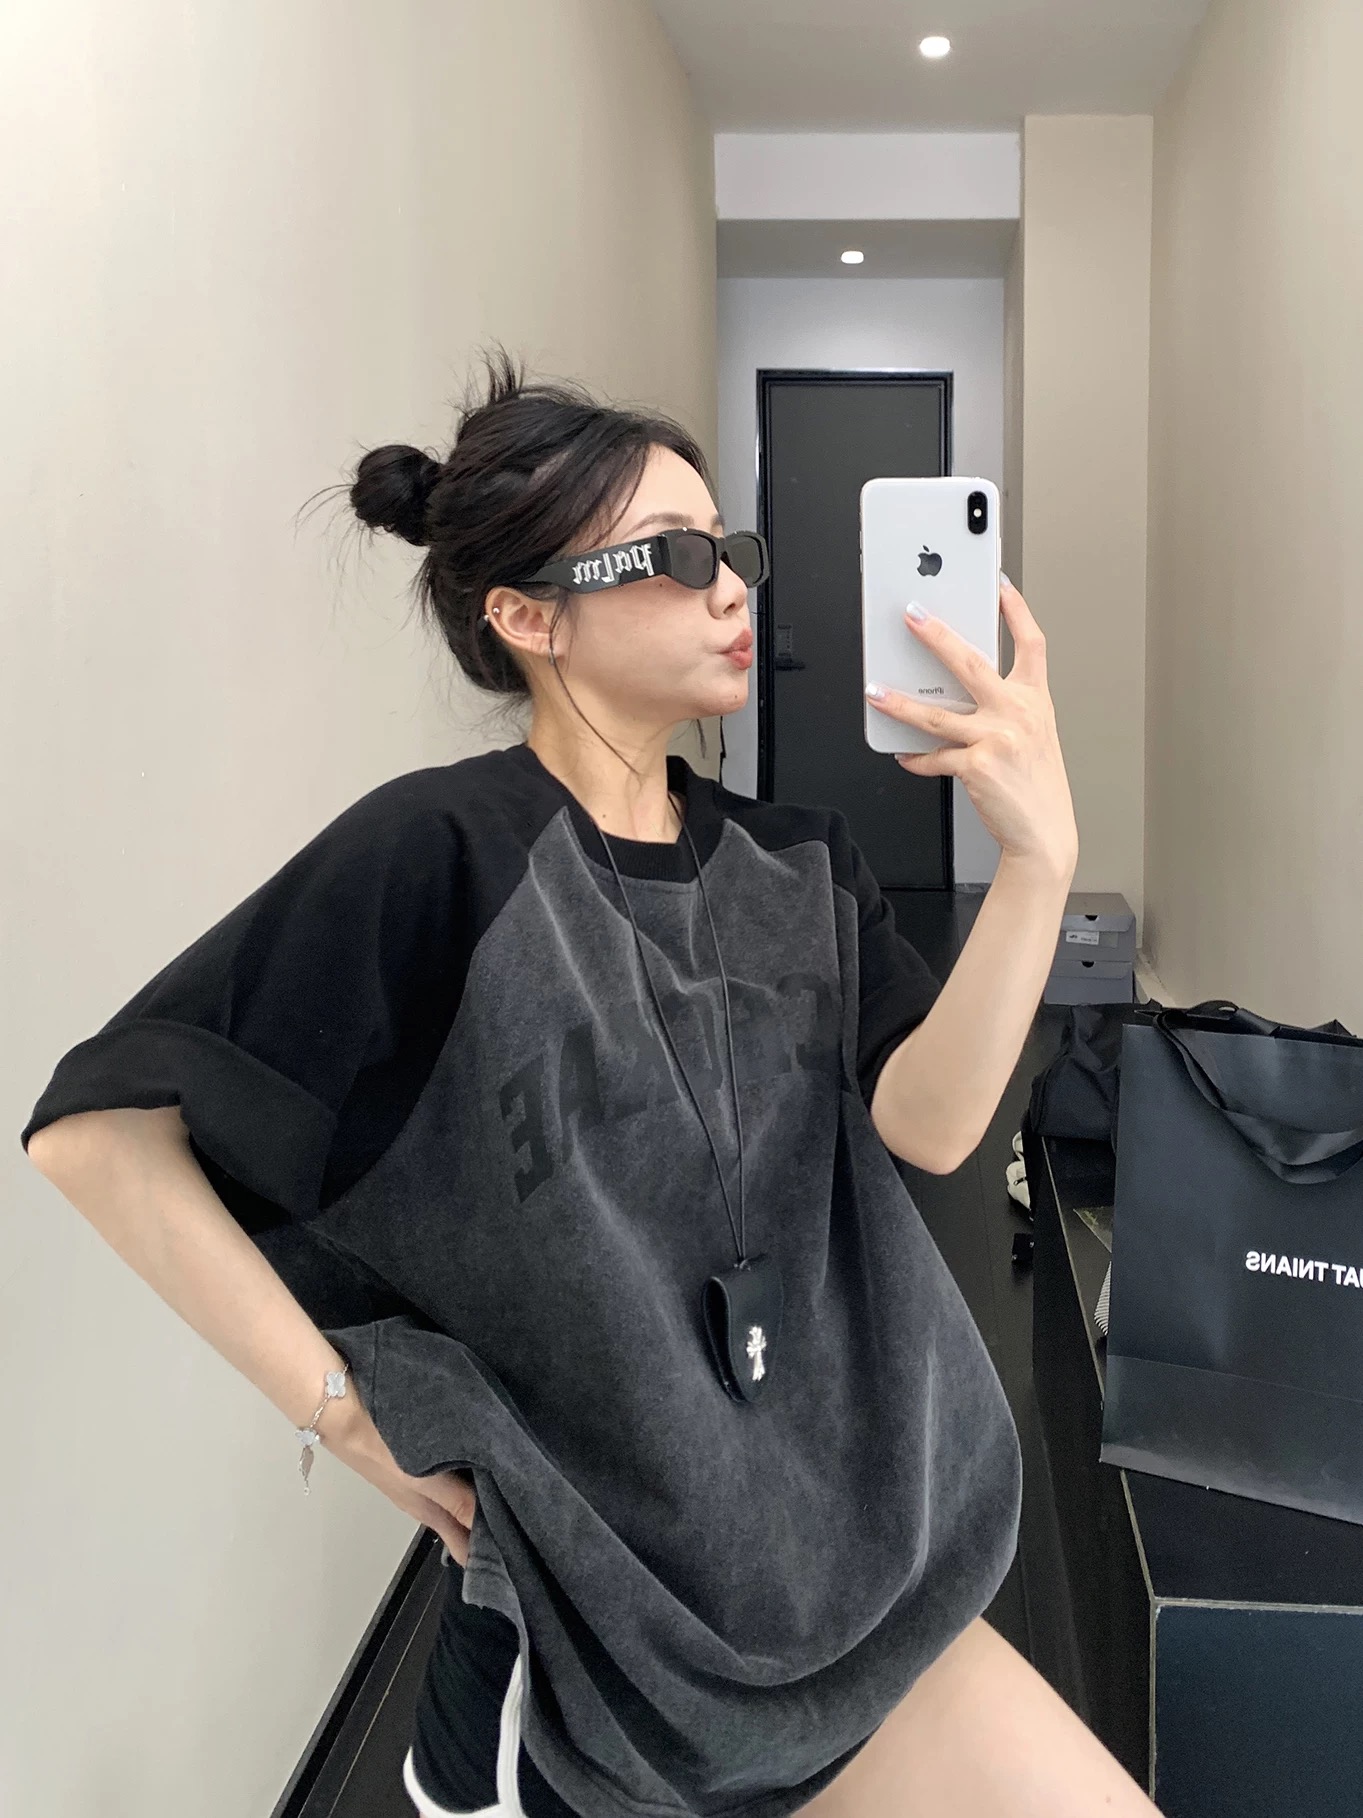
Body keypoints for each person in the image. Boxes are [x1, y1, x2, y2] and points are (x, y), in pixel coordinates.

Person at [21, 349, 1159, 1818]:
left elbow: (931, 1127)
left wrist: (1038, 864)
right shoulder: (440, 859)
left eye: (730, 550)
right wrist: (345, 1417)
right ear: (528, 616)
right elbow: (97, 1134)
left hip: (851, 1591)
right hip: (596, 1674)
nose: (732, 585)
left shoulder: (801, 862)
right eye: (678, 558)